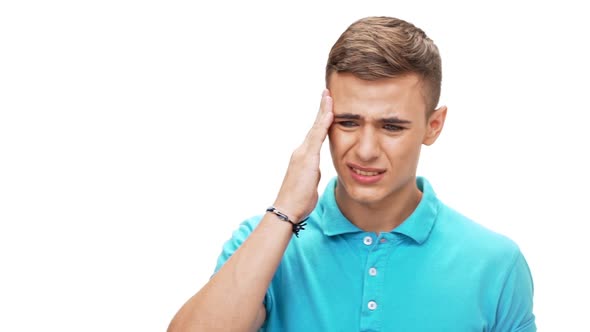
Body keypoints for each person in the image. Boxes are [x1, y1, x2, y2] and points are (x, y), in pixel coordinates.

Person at [167, 16, 536, 332]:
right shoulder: (264, 242)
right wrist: (285, 208)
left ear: (433, 126)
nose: (365, 150)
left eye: (391, 127)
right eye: (347, 122)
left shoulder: (496, 264)